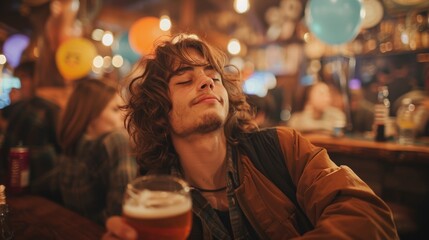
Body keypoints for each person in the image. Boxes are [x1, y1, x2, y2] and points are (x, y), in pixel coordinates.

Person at [102, 34, 398, 239]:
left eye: (213, 76)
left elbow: (370, 217)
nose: (206, 81)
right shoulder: (156, 194)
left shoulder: (283, 148)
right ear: (158, 112)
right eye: (185, 80)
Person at [57, 78, 137, 225]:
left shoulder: (69, 151)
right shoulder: (117, 141)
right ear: (90, 117)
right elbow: (124, 210)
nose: (124, 115)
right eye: (115, 109)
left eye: (123, 108)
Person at [0, 60, 62, 202]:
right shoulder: (24, 108)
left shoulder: (44, 108)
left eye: (23, 78)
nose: (20, 84)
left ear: (36, 79)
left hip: (36, 185)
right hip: (33, 186)